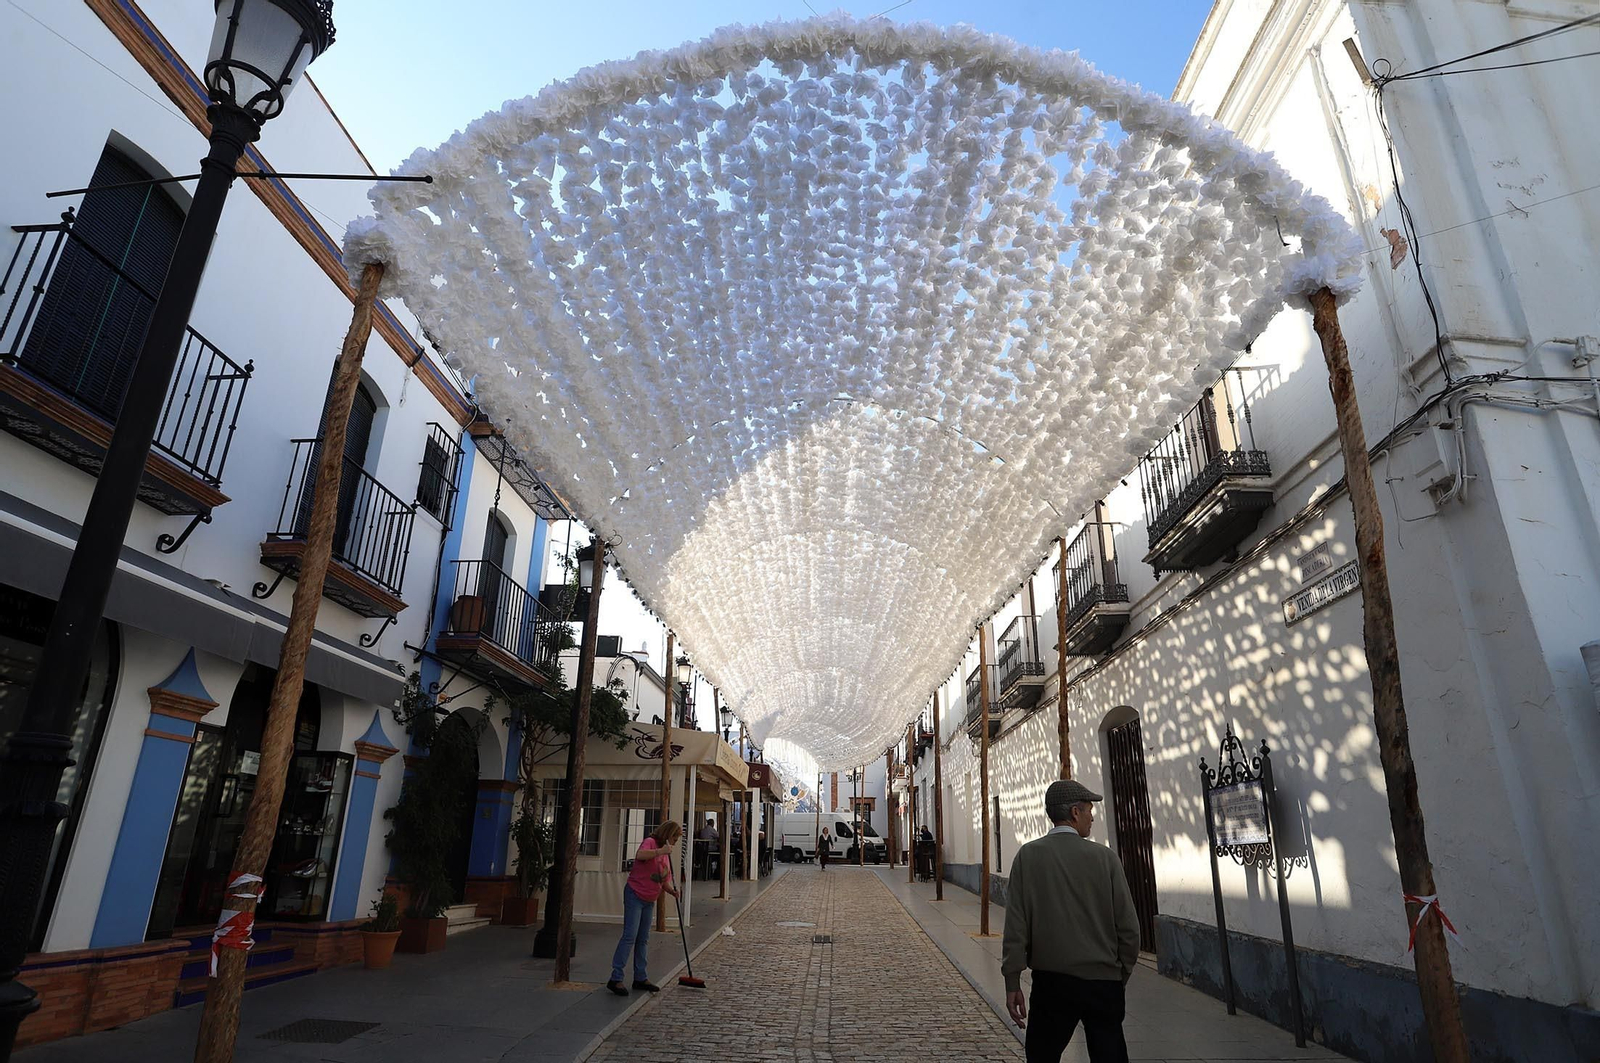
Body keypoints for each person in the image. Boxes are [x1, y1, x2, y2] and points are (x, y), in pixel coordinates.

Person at [1002, 780, 1140, 1063]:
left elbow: (1017, 926)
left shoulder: (1027, 857)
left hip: (1052, 984)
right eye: (1090, 810)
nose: (1092, 817)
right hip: (1103, 982)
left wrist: (1012, 981)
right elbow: (1129, 929)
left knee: (1042, 1055)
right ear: (1075, 813)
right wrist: (1120, 974)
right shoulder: (1105, 858)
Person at [608, 820, 681, 996]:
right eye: (675, 837)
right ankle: (616, 977)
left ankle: (640, 977)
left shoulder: (667, 854)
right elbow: (640, 855)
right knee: (630, 935)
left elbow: (663, 879)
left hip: (650, 898)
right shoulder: (652, 843)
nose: (676, 841)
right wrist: (660, 851)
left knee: (643, 938)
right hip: (635, 894)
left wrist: (672, 891)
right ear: (668, 834)